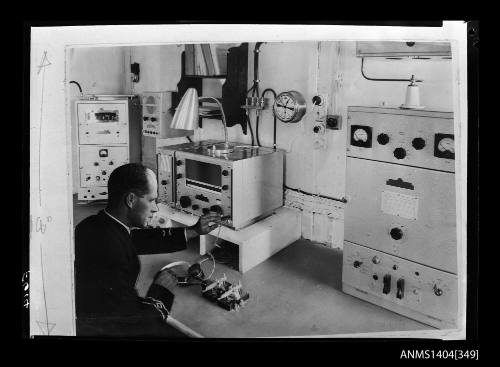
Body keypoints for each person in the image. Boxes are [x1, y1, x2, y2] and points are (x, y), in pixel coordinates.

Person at [74, 163, 220, 337]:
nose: (156, 208)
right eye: (151, 200)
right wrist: (160, 291)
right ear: (131, 200)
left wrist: (194, 231)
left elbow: (135, 240)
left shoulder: (93, 225)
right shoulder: (111, 253)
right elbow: (137, 326)